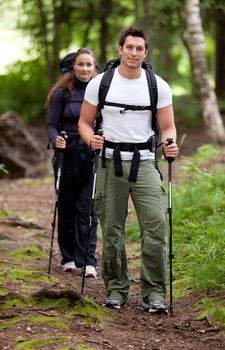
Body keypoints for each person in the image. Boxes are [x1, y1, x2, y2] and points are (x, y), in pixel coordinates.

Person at [78, 27, 179, 313]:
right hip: (109, 162)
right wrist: (91, 139)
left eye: (139, 48)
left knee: (156, 225)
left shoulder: (157, 85)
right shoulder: (100, 83)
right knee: (111, 229)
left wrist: (169, 143)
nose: (134, 53)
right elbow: (84, 123)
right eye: (129, 47)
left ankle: (155, 293)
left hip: (145, 163)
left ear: (146, 53)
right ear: (119, 49)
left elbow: (167, 126)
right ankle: (116, 290)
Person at [46, 48, 98, 278]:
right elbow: (51, 124)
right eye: (81, 64)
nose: (85, 69)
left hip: (91, 154)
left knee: (87, 208)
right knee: (66, 206)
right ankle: (68, 257)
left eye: (89, 65)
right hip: (66, 154)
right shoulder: (62, 94)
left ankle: (86, 260)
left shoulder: (101, 92)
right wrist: (54, 138)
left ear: (94, 67)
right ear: (73, 67)